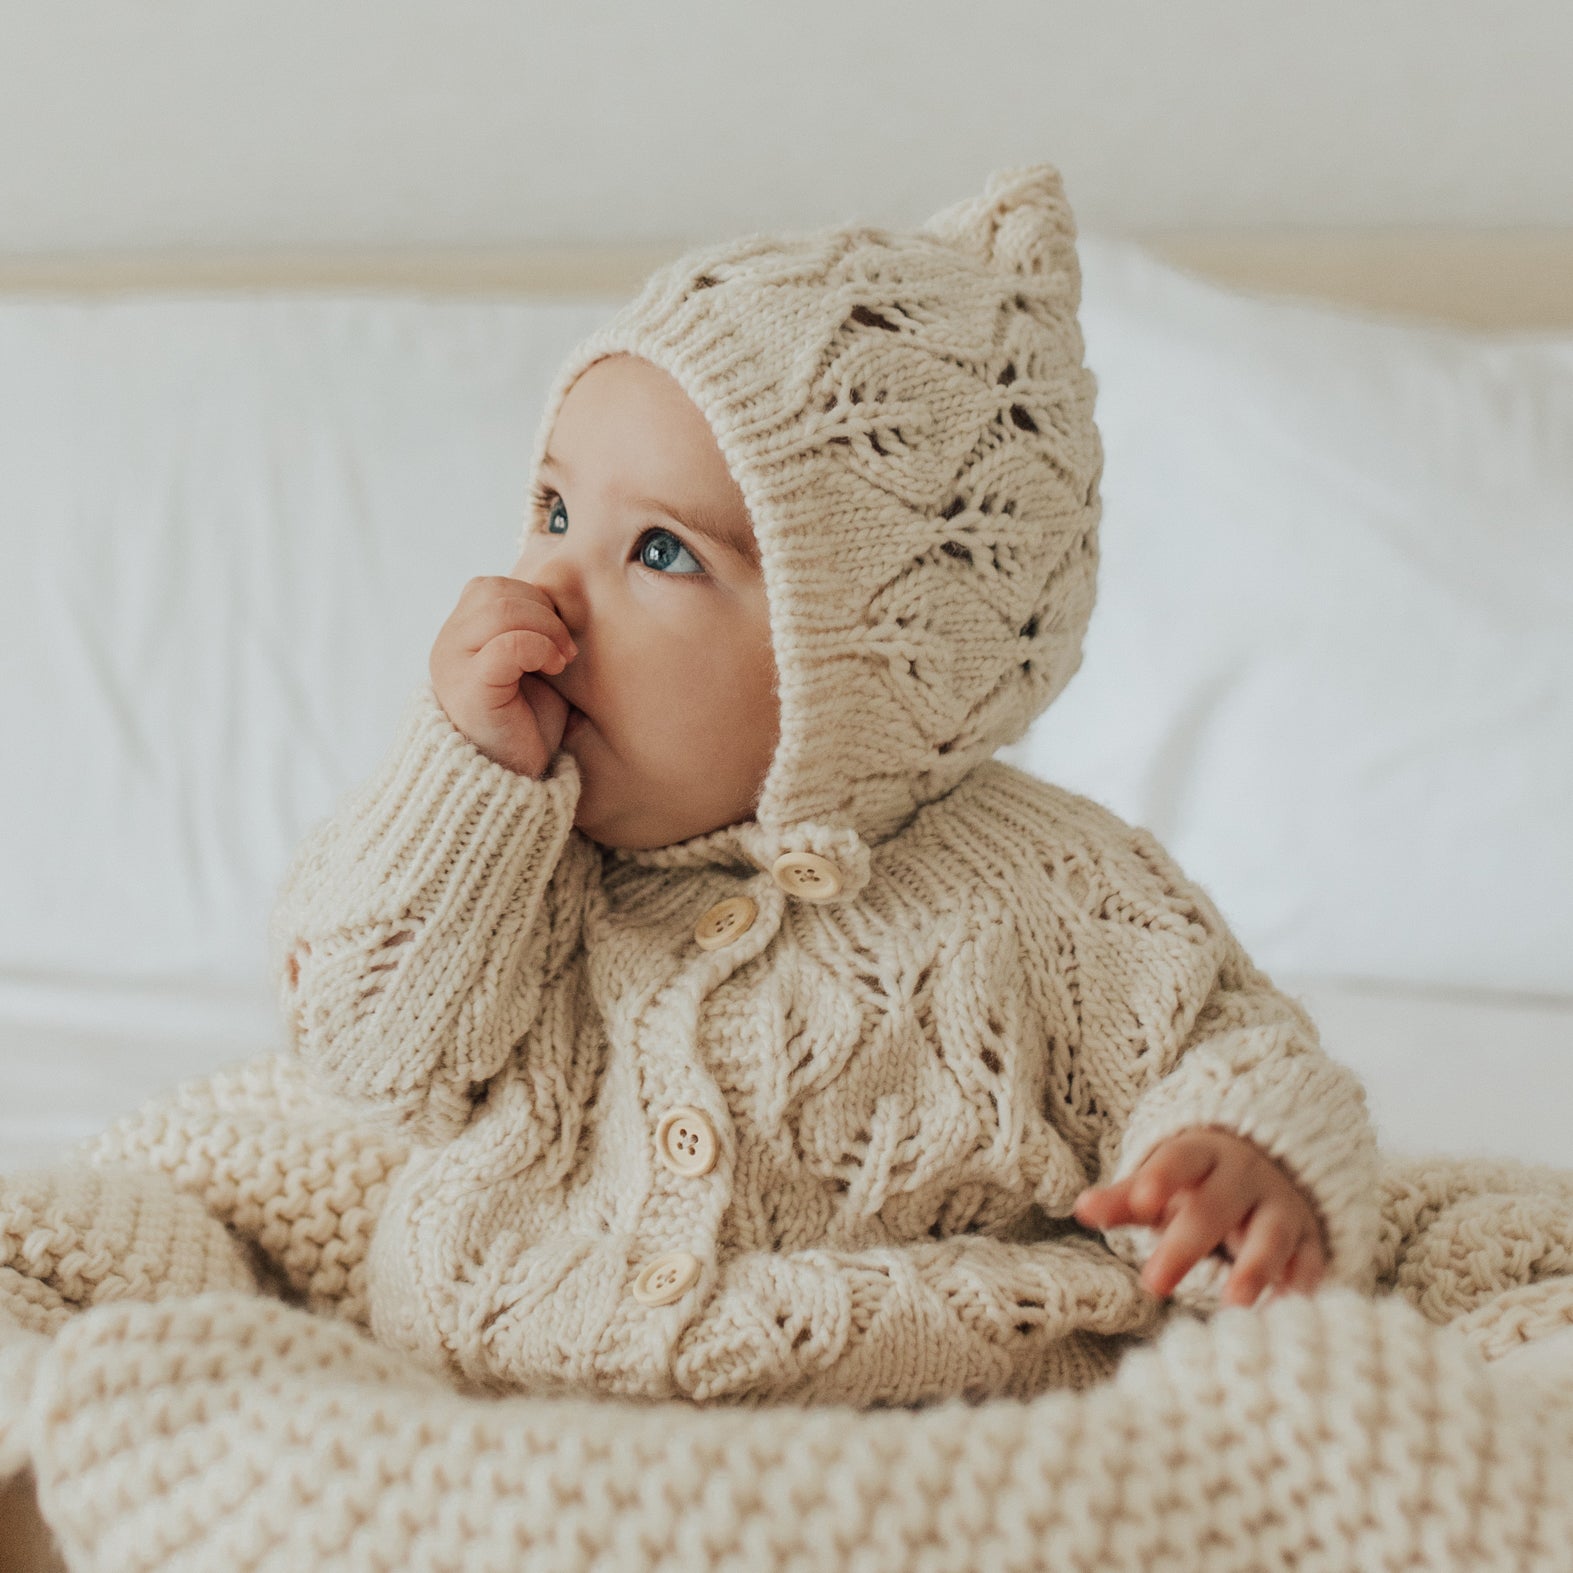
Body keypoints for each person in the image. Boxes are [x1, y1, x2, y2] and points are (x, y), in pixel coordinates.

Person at [270, 163, 1380, 1405]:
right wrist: (464, 779)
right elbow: (361, 1047)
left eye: (657, 550)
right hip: (494, 1374)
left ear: (857, 662)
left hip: (895, 1419)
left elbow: (1230, 1040)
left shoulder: (1047, 887)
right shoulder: (512, 844)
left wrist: (1237, 1158)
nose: (551, 590)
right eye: (551, 506)